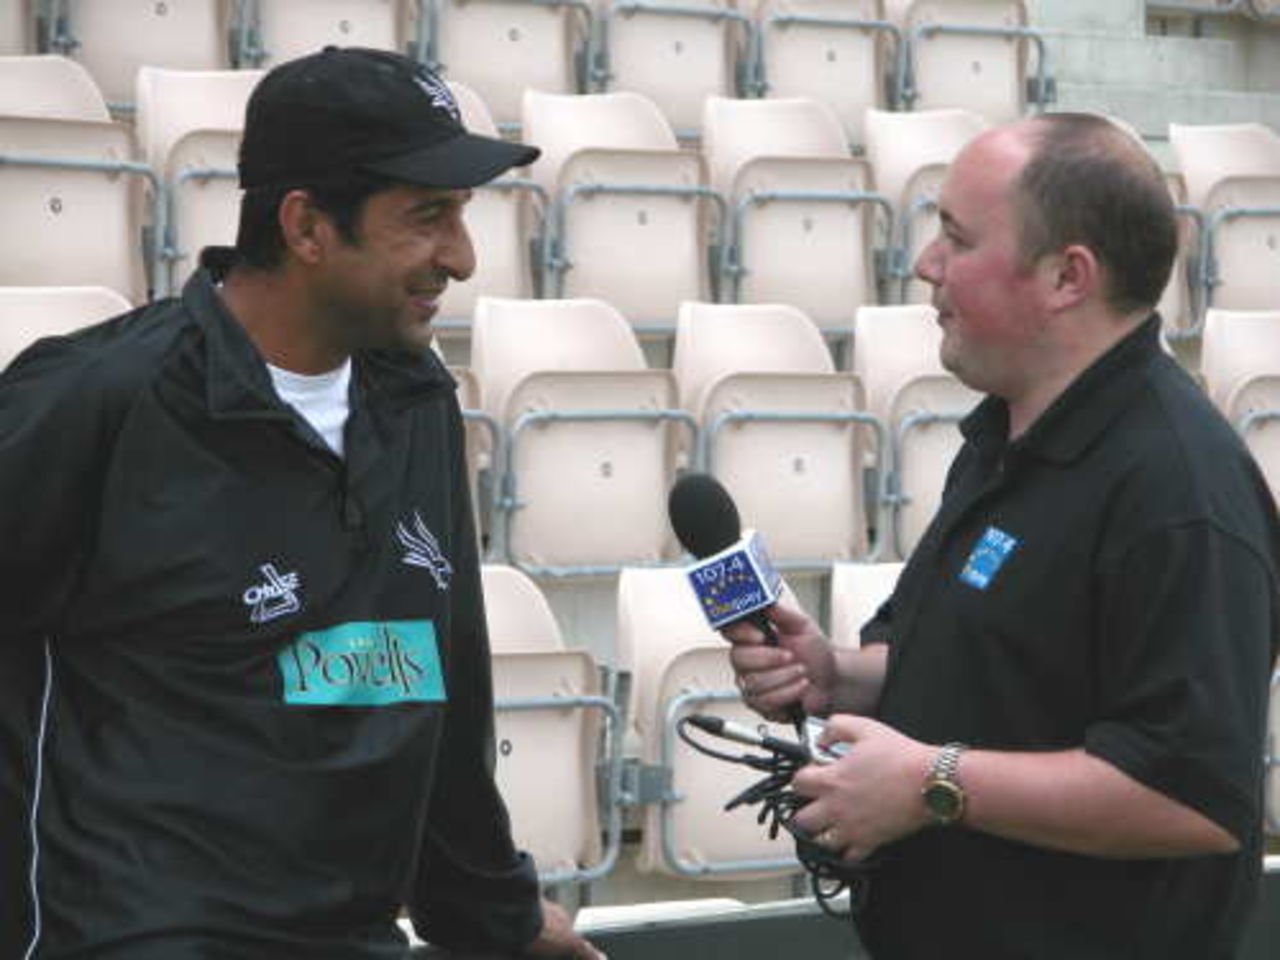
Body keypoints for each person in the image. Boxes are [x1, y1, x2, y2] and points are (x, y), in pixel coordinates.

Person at [0, 47, 603, 960]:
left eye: (462, 216)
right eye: (428, 217)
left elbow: (442, 689)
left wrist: (498, 920)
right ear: (306, 225)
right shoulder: (90, 401)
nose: (462, 257)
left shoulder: (418, 403)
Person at [724, 113, 1280, 959]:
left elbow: (1191, 801)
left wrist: (934, 784)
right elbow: (984, 668)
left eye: (956, 237)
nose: (925, 265)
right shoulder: (1006, 435)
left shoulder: (1179, 493)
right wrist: (838, 676)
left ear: (1066, 276)